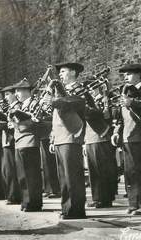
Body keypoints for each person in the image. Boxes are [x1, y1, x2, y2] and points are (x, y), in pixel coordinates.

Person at [112, 63, 141, 215]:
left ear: (138, 75)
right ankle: (134, 204)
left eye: (129, 74)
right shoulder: (124, 91)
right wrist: (117, 131)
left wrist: (132, 102)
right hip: (128, 136)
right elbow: (121, 116)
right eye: (124, 74)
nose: (125, 77)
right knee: (130, 172)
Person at [48, 62, 87, 219]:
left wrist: (56, 100)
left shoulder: (79, 89)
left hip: (71, 135)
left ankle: (76, 209)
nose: (61, 75)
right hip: (60, 136)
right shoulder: (61, 92)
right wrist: (53, 137)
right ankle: (67, 207)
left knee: (72, 175)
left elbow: (78, 103)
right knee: (63, 176)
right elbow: (56, 117)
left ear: (73, 72)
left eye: (63, 71)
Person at [83, 79, 117, 208]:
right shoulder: (89, 101)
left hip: (101, 137)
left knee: (103, 169)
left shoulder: (103, 100)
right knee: (93, 171)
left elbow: (108, 117)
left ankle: (106, 198)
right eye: (88, 89)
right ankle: (97, 198)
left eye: (92, 88)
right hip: (90, 138)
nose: (90, 91)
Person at [11, 78, 43, 211]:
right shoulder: (20, 105)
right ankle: (26, 201)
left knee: (31, 174)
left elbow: (37, 119)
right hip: (19, 141)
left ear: (27, 91)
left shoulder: (35, 103)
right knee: (22, 175)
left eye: (18, 91)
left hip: (30, 140)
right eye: (16, 91)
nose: (16, 94)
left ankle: (34, 202)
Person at [0, 85, 22, 204]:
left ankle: (14, 196)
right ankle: (11, 194)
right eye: (5, 95)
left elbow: (15, 125)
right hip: (7, 140)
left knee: (11, 169)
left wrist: (4, 125)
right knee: (7, 170)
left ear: (14, 94)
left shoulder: (17, 106)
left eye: (8, 94)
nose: (6, 97)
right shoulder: (9, 107)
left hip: (12, 140)